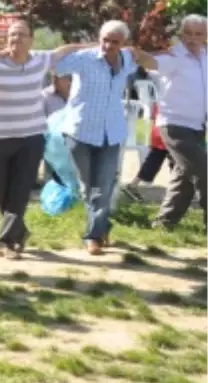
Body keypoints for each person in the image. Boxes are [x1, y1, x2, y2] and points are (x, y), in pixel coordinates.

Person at [0, 22, 90, 258]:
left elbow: (64, 50)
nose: (16, 38)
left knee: (20, 191)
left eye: (21, 35)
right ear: (6, 39)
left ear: (31, 40)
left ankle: (7, 242)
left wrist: (98, 45)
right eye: (12, 35)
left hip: (31, 137)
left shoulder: (40, 60)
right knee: (0, 192)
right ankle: (19, 231)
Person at [55, 20, 158, 254]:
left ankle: (93, 236)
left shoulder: (128, 60)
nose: (109, 45)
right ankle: (103, 225)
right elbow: (55, 62)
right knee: (87, 186)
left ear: (123, 43)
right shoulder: (85, 58)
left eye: (115, 41)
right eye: (105, 39)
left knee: (103, 187)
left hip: (111, 132)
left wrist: (139, 53)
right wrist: (86, 45)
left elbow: (153, 64)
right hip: (79, 131)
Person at [149, 15, 208, 231]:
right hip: (175, 125)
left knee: (184, 177)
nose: (193, 39)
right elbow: (153, 63)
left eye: (198, 34)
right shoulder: (174, 55)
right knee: (204, 171)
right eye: (188, 34)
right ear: (182, 34)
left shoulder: (205, 58)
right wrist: (142, 54)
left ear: (206, 36)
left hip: (197, 126)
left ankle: (164, 224)